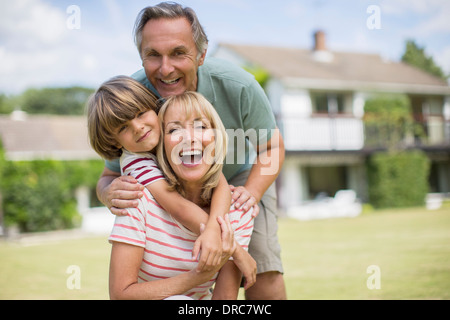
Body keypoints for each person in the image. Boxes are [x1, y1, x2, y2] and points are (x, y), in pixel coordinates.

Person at [96, 2, 286, 299]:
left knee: (262, 268)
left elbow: (272, 148)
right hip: (169, 184)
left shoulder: (239, 86)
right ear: (141, 57)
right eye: (153, 55)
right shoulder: (134, 102)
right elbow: (108, 175)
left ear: (201, 54)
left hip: (236, 179)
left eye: (178, 53)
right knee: (174, 266)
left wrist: (253, 192)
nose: (166, 68)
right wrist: (108, 193)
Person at [87, 78, 255, 299]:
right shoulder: (136, 169)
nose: (138, 127)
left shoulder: (236, 208)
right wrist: (233, 250)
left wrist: (224, 230)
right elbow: (177, 207)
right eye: (123, 127)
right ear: (115, 141)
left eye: (140, 114)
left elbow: (218, 181)